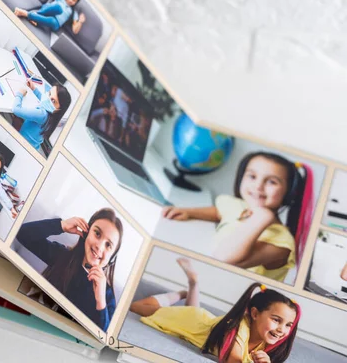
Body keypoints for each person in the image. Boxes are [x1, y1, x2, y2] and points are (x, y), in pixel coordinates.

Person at [161, 151, 314, 282]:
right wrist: (190, 212)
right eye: (252, 176)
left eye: (272, 182)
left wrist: (263, 217)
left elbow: (225, 258)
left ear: (289, 193)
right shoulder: (238, 205)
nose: (258, 186)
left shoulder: (281, 243)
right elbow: (219, 212)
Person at [131, 258, 301, 363]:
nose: (282, 330)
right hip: (192, 321)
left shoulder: (266, 340)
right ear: (255, 314)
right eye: (277, 320)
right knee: (138, 307)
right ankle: (179, 294)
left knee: (193, 309)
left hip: (205, 321)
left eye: (288, 325)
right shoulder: (239, 329)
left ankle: (193, 285)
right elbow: (233, 360)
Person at [16, 208, 124, 331]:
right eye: (97, 234)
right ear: (86, 233)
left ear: (112, 258)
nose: (99, 246)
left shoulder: (106, 295)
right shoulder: (62, 255)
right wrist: (61, 225)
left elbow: (102, 336)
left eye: (108, 245)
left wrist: (100, 302)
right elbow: (21, 233)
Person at [12, 79, 72, 151]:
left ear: (59, 109)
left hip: (22, 145)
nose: (48, 98)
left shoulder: (42, 114)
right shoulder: (53, 116)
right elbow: (45, 100)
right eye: (49, 93)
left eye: (53, 100)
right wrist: (33, 88)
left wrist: (20, 93)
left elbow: (16, 109)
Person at [14, 0, 86, 34]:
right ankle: (34, 17)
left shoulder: (73, 12)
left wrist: (80, 22)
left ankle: (27, 14)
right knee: (58, 8)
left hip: (56, 22)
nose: (70, 0)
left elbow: (75, 30)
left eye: (74, 0)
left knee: (52, 21)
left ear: (76, 2)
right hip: (48, 10)